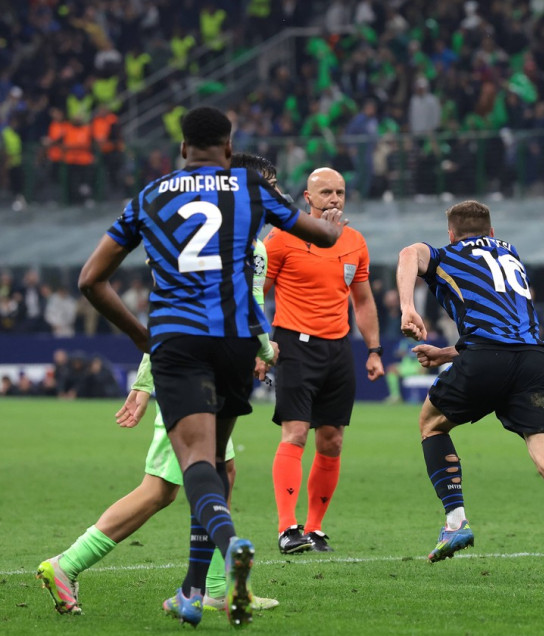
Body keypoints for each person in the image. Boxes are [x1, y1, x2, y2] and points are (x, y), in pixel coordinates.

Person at [75, 106, 343, 627]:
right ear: (228, 146)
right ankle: (192, 592)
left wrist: (143, 337)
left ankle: (231, 544)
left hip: (179, 339)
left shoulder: (149, 197)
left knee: (196, 461)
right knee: (217, 462)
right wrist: (331, 224)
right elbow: (322, 237)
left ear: (182, 148)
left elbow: (91, 280)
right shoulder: (249, 186)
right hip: (237, 339)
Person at [36, 153, 286, 619]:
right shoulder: (242, 248)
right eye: (265, 185)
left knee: (215, 474)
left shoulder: (239, 244)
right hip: (191, 381)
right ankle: (66, 564)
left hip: (198, 373)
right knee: (161, 489)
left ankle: (210, 586)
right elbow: (193, 320)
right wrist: (147, 383)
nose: (270, 194)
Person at [395, 200, 544, 587]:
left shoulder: (445, 254)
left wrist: (407, 308)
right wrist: (449, 353)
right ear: (491, 231)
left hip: (487, 359)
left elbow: (407, 254)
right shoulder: (511, 254)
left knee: (432, 424)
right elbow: (505, 327)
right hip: (534, 360)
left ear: (451, 233)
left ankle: (455, 522)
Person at [264, 167, 384, 555]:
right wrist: (258, 344)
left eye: (340, 192)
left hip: (338, 349)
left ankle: (314, 529)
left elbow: (362, 300)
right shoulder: (282, 238)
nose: (334, 199)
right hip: (293, 345)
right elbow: (254, 291)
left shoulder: (354, 241)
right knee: (295, 432)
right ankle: (287, 528)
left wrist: (374, 349)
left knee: (331, 441)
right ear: (308, 198)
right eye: (326, 192)